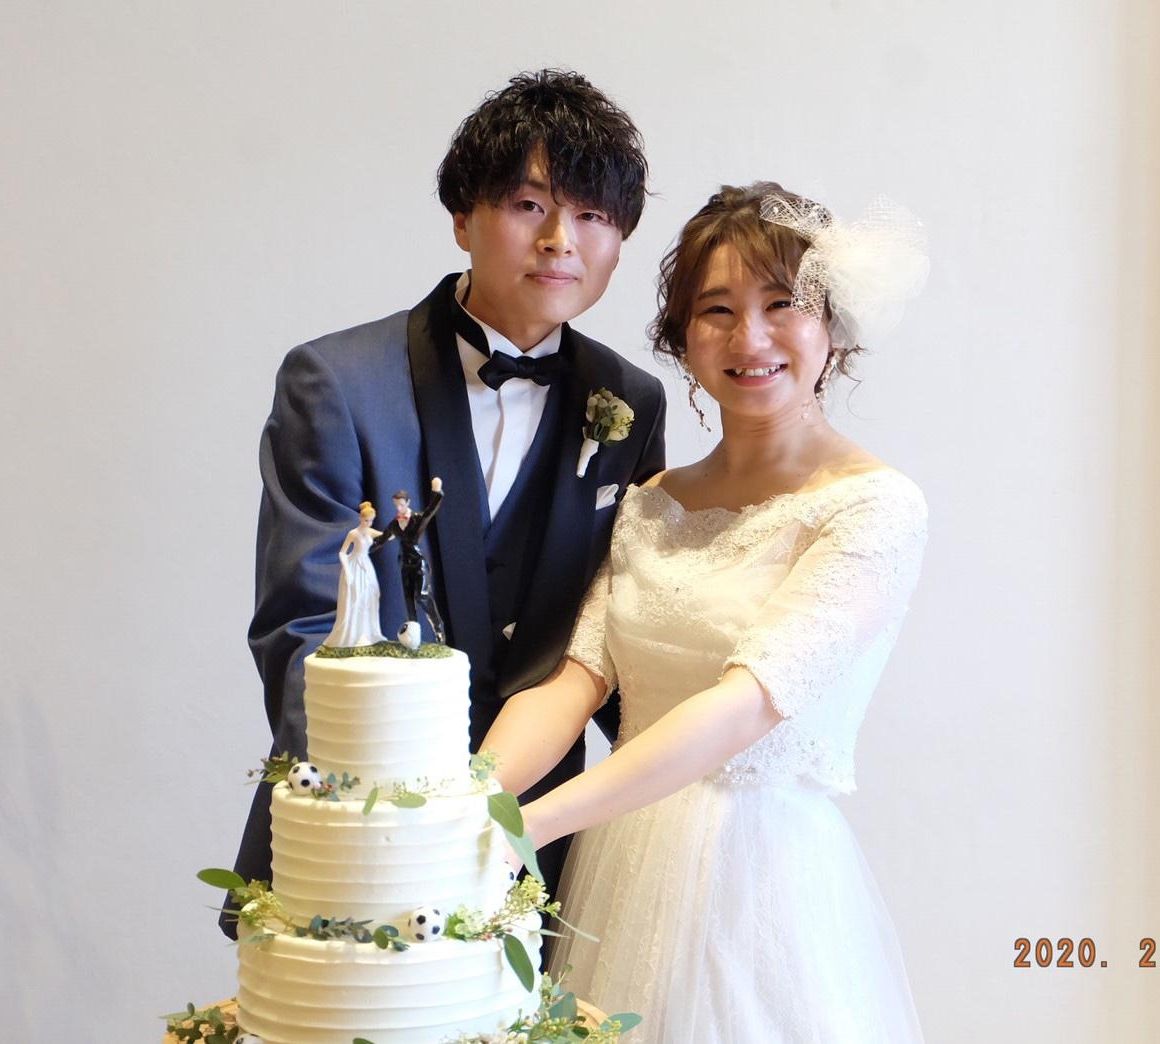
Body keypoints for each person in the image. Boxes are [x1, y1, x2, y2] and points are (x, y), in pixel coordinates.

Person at [221, 70, 667, 935]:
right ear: (463, 217)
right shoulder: (338, 382)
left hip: (539, 843)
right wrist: (385, 811)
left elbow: (614, 631)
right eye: (529, 206)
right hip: (362, 832)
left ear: (619, 242)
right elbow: (301, 624)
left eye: (592, 216)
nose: (560, 242)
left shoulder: (629, 403)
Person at [482, 183, 929, 1041]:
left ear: (832, 328)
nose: (749, 338)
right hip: (621, 864)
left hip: (760, 880)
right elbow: (576, 678)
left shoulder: (874, 508)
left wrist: (527, 824)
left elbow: (746, 703)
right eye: (716, 310)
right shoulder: (652, 502)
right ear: (682, 338)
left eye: (782, 305)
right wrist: (464, 798)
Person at [372, 478, 446, 643]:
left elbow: (430, 511)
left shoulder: (417, 518)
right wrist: (364, 549)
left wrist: (436, 492)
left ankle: (438, 627)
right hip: (405, 564)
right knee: (408, 602)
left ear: (408, 503)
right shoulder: (394, 524)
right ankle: (413, 637)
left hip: (418, 563)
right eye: (396, 505)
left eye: (401, 504)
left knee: (422, 595)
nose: (398, 508)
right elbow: (382, 539)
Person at [322, 500, 386, 648]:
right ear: (360, 518)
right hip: (355, 565)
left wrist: (400, 523)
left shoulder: (370, 531)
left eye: (371, 521)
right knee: (355, 597)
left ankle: (366, 632)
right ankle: (352, 635)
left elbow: (388, 535)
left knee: (371, 596)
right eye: (366, 520)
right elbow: (342, 552)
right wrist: (347, 570)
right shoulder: (353, 533)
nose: (368, 523)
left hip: (366, 565)